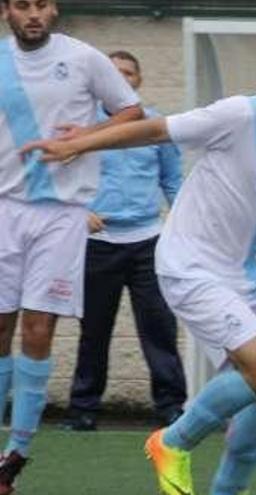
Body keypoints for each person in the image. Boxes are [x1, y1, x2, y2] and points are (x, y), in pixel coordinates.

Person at [23, 25, 256, 495]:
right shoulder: (243, 114)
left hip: (242, 272)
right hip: (189, 261)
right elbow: (155, 129)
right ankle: (172, 441)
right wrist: (78, 143)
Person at [0, 0, 143, 490]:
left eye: (41, 4)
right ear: (6, 10)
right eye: (23, 5)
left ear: (54, 9)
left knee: (38, 331)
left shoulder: (83, 58)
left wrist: (85, 137)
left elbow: (131, 110)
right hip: (4, 209)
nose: (33, 14)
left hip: (62, 214)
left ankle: (15, 454)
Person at [61, 50, 187, 432]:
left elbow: (173, 181)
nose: (122, 78)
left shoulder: (155, 126)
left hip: (149, 240)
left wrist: (185, 227)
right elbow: (56, 179)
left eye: (129, 73)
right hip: (100, 243)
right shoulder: (82, 128)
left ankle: (171, 408)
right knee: (94, 329)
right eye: (114, 73)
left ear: (138, 81)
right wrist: (78, 212)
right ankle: (84, 408)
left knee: (159, 328)